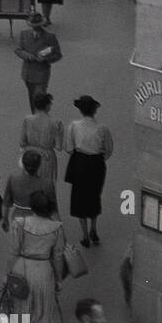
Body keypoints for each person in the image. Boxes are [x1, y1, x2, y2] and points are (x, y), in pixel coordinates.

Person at [8, 190, 67, 323]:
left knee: (20, 308)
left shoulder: (19, 224)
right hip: (43, 272)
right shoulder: (56, 228)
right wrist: (59, 280)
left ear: (32, 207)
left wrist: (7, 274)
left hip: (21, 269)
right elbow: (58, 256)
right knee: (41, 311)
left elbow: (14, 252)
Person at [65, 95, 113, 249]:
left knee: (79, 197)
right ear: (94, 111)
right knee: (94, 195)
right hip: (96, 163)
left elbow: (69, 148)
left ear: (80, 110)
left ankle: (85, 235)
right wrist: (99, 159)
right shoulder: (102, 128)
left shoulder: (73, 126)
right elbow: (109, 150)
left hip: (80, 162)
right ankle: (94, 228)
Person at [16, 11, 63, 113]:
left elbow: (58, 55)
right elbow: (18, 50)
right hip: (27, 73)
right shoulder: (24, 34)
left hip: (42, 74)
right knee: (32, 97)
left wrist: (46, 59)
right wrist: (27, 56)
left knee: (40, 98)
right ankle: (35, 116)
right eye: (33, 25)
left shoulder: (50, 37)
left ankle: (40, 117)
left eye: (37, 25)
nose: (35, 27)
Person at [3, 148, 60, 231]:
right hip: (40, 222)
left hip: (18, 220)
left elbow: (6, 203)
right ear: (39, 165)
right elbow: (53, 210)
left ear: (23, 163)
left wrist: (5, 219)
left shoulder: (13, 180)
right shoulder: (47, 184)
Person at [19, 91, 63, 182]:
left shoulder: (27, 120)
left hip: (30, 156)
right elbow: (59, 146)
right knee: (46, 187)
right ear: (47, 106)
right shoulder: (56, 123)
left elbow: (22, 142)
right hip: (47, 157)